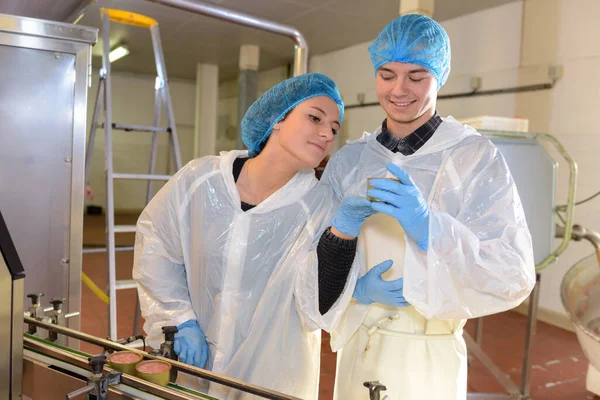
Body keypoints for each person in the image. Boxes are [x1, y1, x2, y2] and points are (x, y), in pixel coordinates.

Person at [321, 15, 536, 400]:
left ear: (440, 76)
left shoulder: (473, 158)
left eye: (417, 77)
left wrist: (429, 229)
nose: (399, 89)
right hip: (359, 343)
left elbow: (513, 275)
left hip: (429, 354)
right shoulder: (351, 161)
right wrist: (356, 289)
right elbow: (311, 257)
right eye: (387, 75)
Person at [133, 73, 375, 399]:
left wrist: (344, 242)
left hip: (272, 379)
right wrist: (180, 320)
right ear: (277, 118)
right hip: (191, 369)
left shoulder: (321, 207)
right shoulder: (200, 181)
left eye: (334, 128)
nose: (326, 134)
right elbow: (157, 249)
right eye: (315, 117)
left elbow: (314, 307)